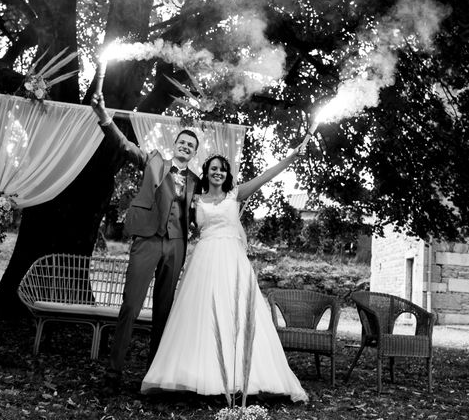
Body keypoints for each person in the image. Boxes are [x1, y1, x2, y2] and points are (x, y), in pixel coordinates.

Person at [141, 142, 310, 403]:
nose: (217, 172)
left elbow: (267, 176)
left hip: (232, 260)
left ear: (226, 174)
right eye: (212, 169)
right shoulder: (194, 198)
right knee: (201, 314)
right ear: (206, 173)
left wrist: (291, 156)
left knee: (236, 311)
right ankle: (197, 375)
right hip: (204, 261)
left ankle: (242, 377)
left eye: (221, 169)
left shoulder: (236, 194)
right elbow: (169, 207)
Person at [91, 94, 200, 384]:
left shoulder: (195, 182)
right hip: (148, 240)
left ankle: (156, 372)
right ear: (175, 146)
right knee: (131, 304)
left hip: (176, 244)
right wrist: (104, 116)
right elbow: (125, 146)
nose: (185, 147)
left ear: (194, 153)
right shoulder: (154, 161)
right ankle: (114, 369)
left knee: (164, 310)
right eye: (182, 143)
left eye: (191, 146)